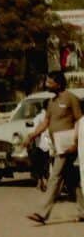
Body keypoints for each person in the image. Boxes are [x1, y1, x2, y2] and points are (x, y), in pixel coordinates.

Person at [25, 72, 84, 224]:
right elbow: (45, 122)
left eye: (50, 82)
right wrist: (32, 135)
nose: (47, 85)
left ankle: (42, 213)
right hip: (58, 146)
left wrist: (76, 142)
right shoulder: (51, 102)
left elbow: (80, 121)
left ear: (59, 83)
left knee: (55, 177)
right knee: (72, 180)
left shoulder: (70, 98)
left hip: (68, 146)